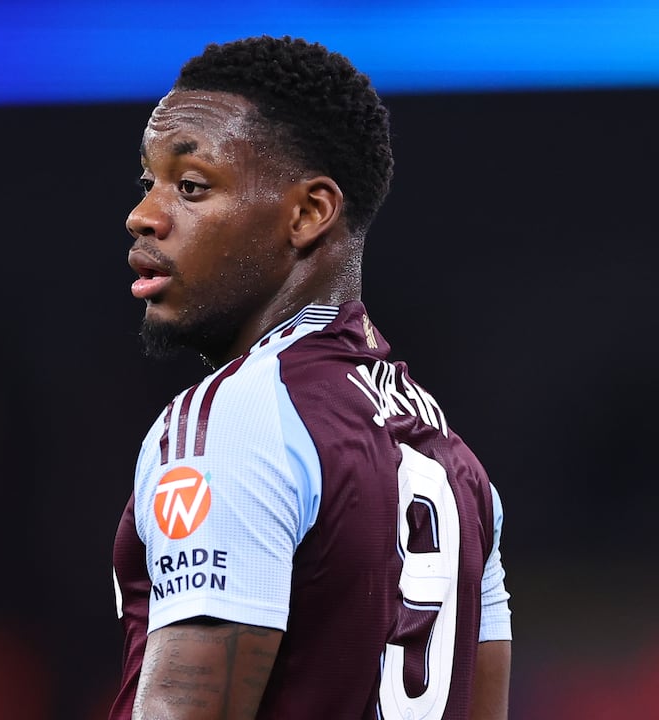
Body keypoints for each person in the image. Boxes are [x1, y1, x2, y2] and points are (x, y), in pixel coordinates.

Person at [110, 36, 512, 720]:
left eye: (192, 186)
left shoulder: (234, 419)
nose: (144, 215)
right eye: (149, 184)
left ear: (307, 213)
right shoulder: (453, 459)